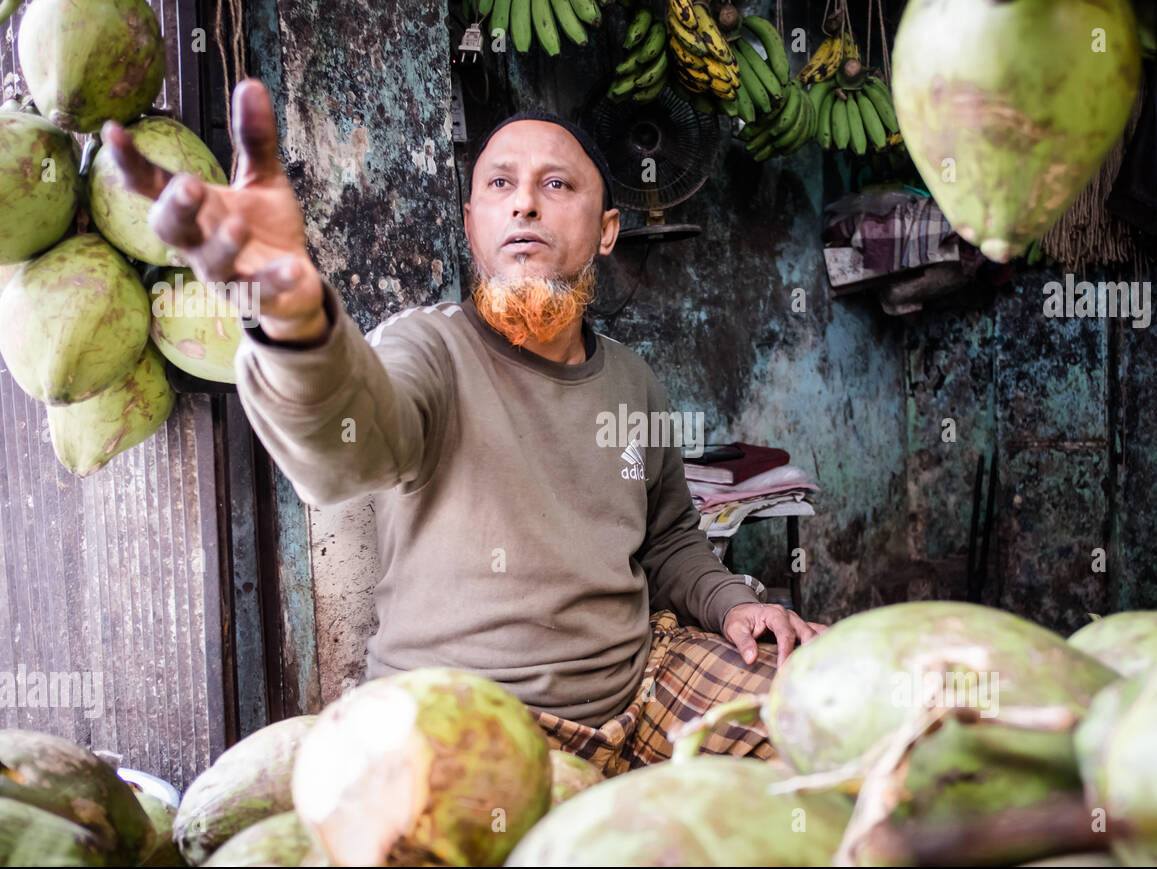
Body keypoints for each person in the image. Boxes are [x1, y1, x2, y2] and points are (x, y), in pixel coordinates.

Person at [103, 79, 827, 775]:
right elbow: (344, 445)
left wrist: (736, 603)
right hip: (465, 718)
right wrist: (291, 311)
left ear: (608, 230)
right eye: (500, 186)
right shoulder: (427, 348)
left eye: (557, 185)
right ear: (471, 223)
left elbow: (669, 539)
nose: (525, 207)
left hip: (642, 692)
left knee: (837, 715)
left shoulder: (635, 383)